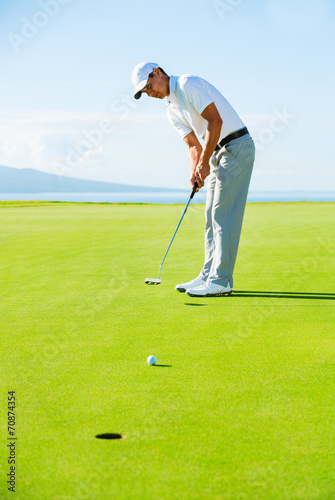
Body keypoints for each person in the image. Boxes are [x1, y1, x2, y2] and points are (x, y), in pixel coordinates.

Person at [132, 62, 255, 297]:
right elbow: (192, 145)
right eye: (145, 92)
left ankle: (222, 280)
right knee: (210, 215)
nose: (150, 93)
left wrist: (204, 162)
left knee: (223, 214)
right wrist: (195, 172)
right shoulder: (171, 109)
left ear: (157, 72)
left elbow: (215, 121)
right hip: (217, 151)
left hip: (236, 146)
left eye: (149, 86)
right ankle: (208, 274)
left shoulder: (188, 84)